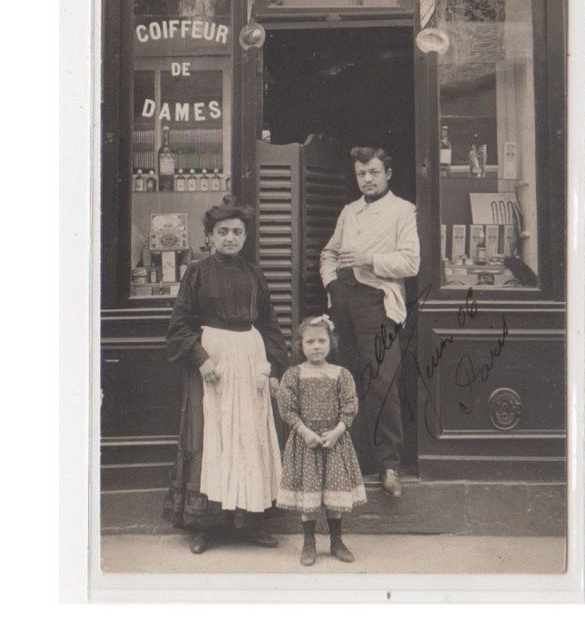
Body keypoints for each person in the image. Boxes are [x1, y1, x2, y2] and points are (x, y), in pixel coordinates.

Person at [163, 195, 289, 554]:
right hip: (213, 363)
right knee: (213, 440)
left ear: (246, 237)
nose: (230, 237)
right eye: (222, 232)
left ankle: (252, 521)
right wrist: (202, 359)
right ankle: (205, 527)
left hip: (250, 362)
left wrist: (275, 368)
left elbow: (270, 325)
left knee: (249, 440)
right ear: (209, 236)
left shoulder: (255, 275)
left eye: (237, 232)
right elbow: (180, 326)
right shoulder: (197, 273)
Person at [320, 147, 420, 498]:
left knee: (382, 382)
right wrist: (331, 283)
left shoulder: (404, 211)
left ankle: (389, 465)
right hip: (344, 300)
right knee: (346, 381)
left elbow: (411, 263)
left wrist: (367, 259)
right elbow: (329, 253)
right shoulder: (350, 211)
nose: (368, 179)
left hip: (378, 303)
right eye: (362, 174)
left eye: (374, 172)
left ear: (387, 173)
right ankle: (352, 463)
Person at [276, 315, 366, 566]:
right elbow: (287, 408)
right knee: (309, 497)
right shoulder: (294, 375)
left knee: (334, 493)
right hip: (306, 443)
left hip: (333, 442)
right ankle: (308, 543)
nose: (316, 346)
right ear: (300, 346)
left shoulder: (341, 374)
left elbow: (349, 406)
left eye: (322, 341)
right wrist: (305, 432)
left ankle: (336, 541)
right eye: (310, 341)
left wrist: (337, 431)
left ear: (331, 343)